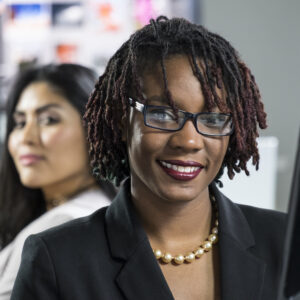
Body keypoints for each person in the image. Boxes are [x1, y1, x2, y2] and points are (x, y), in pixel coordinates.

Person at [11, 17, 286, 300]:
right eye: (163, 115)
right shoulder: (56, 260)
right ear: (121, 120)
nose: (189, 141)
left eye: (213, 119)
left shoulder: (287, 242)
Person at [0, 63, 116, 299]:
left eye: (48, 120)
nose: (26, 137)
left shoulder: (66, 222)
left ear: (94, 129)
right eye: (20, 123)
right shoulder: (100, 210)